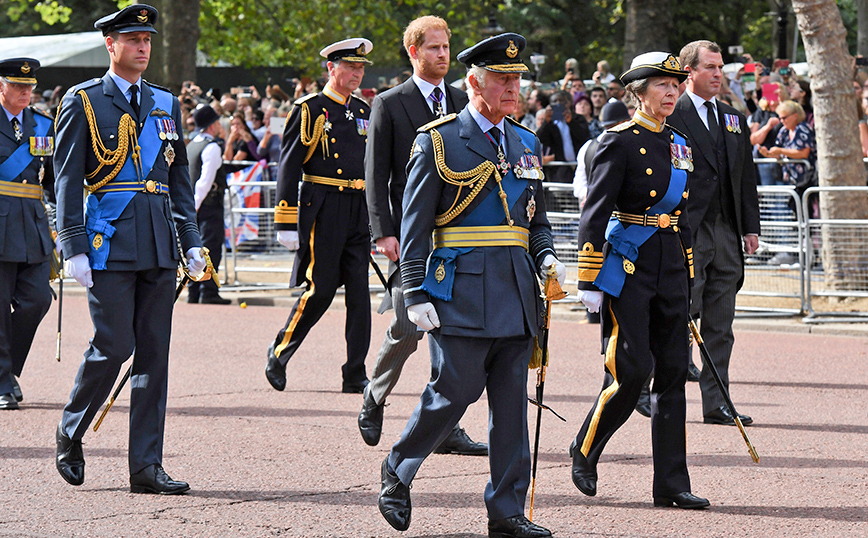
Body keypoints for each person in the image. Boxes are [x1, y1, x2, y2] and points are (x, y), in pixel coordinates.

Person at [377, 32, 562, 538]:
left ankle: (506, 511)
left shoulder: (526, 141)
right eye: (502, 79)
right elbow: (414, 225)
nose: (512, 87)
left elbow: (535, 219)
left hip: (518, 290)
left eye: (517, 78)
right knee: (452, 392)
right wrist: (413, 292)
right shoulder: (438, 140)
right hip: (459, 288)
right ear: (473, 82)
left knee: (510, 407)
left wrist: (546, 255)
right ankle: (399, 467)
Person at [53, 4, 206, 494]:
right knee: (115, 345)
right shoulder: (84, 100)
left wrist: (193, 242)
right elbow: (66, 180)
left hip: (160, 242)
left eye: (147, 39)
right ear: (110, 44)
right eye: (132, 38)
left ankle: (145, 466)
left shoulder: (166, 103)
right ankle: (71, 427)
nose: (143, 47)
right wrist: (72, 245)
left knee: (154, 357)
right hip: (110, 240)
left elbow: (177, 179)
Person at [571, 51, 709, 509]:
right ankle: (586, 447)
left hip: (669, 264)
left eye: (676, 85)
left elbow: (681, 214)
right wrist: (589, 277)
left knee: (672, 374)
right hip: (628, 266)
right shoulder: (618, 141)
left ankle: (671, 482)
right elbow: (595, 210)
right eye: (662, 85)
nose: (672, 93)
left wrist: (688, 274)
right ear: (639, 91)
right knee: (631, 372)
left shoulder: (679, 142)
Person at [361, 16, 486, 455]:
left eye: (446, 47)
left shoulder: (463, 98)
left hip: (455, 237)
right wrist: (383, 233)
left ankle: (447, 425)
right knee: (406, 327)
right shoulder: (391, 103)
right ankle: (374, 395)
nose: (443, 55)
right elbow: (375, 176)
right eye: (433, 48)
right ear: (414, 52)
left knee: (451, 333)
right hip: (409, 236)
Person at [265, 38, 373, 394]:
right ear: (331, 68)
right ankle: (280, 351)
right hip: (324, 206)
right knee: (321, 290)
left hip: (357, 208)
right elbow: (289, 165)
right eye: (350, 67)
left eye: (360, 68)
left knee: (360, 294)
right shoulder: (310, 109)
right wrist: (286, 219)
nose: (356, 74)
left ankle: (355, 372)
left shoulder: (362, 111)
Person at [668, 40, 760, 426]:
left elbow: (745, 176)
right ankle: (665, 397)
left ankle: (717, 401)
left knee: (721, 324)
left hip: (726, 230)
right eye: (710, 67)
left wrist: (750, 228)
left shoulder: (732, 116)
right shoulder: (673, 113)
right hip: (688, 229)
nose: (719, 74)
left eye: (721, 67)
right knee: (679, 316)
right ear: (689, 72)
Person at [0, 58, 54, 410]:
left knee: (38, 299)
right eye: (18, 85)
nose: (26, 91)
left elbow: (52, 181)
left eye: (29, 86)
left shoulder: (43, 124)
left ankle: (5, 371)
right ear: (0, 86)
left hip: (33, 224)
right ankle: (3, 381)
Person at [187, 104, 230, 304]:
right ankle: (208, 291)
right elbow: (205, 181)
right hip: (208, 205)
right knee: (210, 248)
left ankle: (194, 290)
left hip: (192, 206)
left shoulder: (191, 145)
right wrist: (196, 203)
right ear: (212, 125)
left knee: (194, 248)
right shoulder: (211, 147)